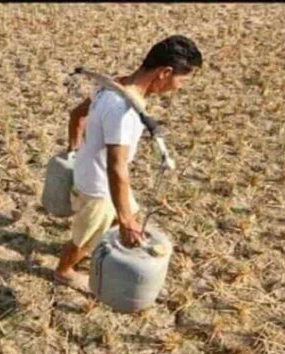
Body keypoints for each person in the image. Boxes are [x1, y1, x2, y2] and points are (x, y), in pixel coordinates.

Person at [55, 35, 203, 293]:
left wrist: (74, 151)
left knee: (129, 216)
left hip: (94, 173)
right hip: (99, 187)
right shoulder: (124, 111)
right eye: (182, 79)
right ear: (165, 72)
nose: (179, 87)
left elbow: (77, 115)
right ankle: (63, 271)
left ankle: (114, 235)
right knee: (84, 239)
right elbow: (116, 166)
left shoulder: (114, 84)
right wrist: (123, 218)